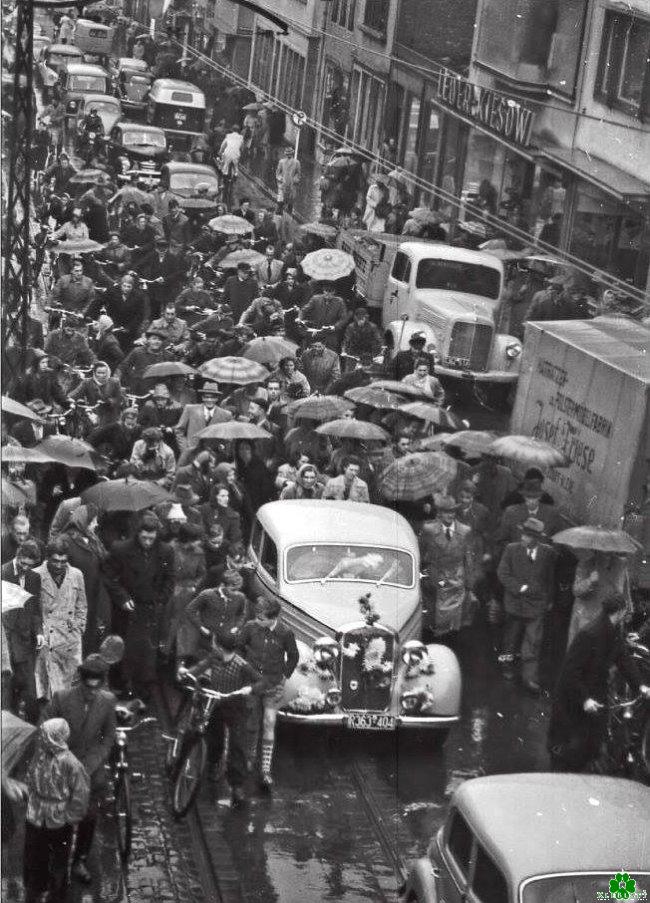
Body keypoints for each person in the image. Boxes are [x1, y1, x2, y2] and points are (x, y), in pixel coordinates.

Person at [548, 595, 650, 772]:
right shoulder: (590, 634)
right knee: (573, 742)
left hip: (595, 690)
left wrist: (639, 684)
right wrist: (585, 699)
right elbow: (571, 671)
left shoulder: (613, 630)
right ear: (619, 612)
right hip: (578, 695)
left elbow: (623, 658)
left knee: (592, 740)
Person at [45, 654, 116, 885]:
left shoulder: (108, 701)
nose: (92, 693)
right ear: (81, 682)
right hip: (63, 771)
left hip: (91, 774)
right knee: (62, 820)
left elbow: (108, 738)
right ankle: (58, 862)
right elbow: (44, 730)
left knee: (88, 819)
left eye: (97, 689)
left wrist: (92, 763)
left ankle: (80, 860)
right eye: (88, 688)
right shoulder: (62, 699)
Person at [178, 631, 266, 806]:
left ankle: (236, 785)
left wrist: (250, 689)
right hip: (216, 701)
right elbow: (199, 669)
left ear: (219, 646)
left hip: (234, 704)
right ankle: (212, 763)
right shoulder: (214, 658)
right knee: (214, 736)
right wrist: (189, 674)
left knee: (237, 744)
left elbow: (261, 682)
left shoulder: (241, 665)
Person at [102, 513, 175, 699]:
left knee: (148, 653)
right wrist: (122, 597)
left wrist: (161, 600)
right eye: (144, 538)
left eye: (152, 538)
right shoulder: (121, 549)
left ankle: (144, 688)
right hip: (128, 611)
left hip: (150, 610)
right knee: (125, 650)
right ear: (138, 534)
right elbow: (108, 576)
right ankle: (123, 685)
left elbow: (170, 579)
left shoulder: (166, 551)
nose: (148, 542)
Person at [23, 718, 90, 903]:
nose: (41, 738)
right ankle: (36, 889)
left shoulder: (71, 764)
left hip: (59, 820)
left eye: (45, 735)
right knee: (36, 856)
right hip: (36, 817)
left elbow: (80, 794)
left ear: (55, 737)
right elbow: (30, 776)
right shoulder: (40, 755)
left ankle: (57, 894)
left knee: (59, 862)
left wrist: (70, 817)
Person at [239, 596, 298, 789]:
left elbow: (293, 656)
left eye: (262, 618)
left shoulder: (285, 633)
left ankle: (265, 768)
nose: (258, 620)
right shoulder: (250, 627)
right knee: (250, 721)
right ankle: (249, 757)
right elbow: (239, 647)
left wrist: (284, 676)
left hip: (273, 683)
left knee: (269, 721)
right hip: (252, 680)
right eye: (257, 616)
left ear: (274, 618)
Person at [497, 517, 557, 694]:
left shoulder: (548, 553)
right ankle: (506, 665)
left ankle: (529, 677)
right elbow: (503, 573)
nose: (523, 538)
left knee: (533, 641)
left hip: (536, 605)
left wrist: (549, 599)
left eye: (528, 536)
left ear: (537, 538)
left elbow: (550, 579)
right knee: (510, 638)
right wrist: (520, 588)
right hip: (515, 603)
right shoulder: (511, 550)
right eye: (523, 534)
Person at [34, 537, 87, 702]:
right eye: (55, 561)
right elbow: (32, 610)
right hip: (47, 638)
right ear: (47, 558)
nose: (59, 565)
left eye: (63, 561)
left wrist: (79, 628)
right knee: (50, 689)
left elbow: (82, 605)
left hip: (70, 639)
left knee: (72, 686)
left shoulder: (77, 575)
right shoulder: (35, 575)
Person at [419, 496, 476, 637]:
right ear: (440, 513)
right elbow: (421, 553)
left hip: (456, 578)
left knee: (454, 623)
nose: (450, 515)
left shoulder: (465, 531)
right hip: (436, 578)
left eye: (452, 512)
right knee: (434, 618)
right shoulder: (429, 530)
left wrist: (469, 583)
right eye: (446, 512)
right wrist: (422, 576)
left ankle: (452, 640)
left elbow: (468, 559)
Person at [1, 540, 43, 722]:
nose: (25, 567)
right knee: (6, 692)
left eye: (30, 565)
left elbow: (35, 608)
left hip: (25, 641)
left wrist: (39, 631)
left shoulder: (34, 578)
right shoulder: (3, 573)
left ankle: (32, 730)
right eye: (22, 563)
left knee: (30, 691)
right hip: (5, 641)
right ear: (17, 555)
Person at [62, 506, 111, 657]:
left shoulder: (92, 539)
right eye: (93, 520)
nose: (96, 524)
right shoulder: (65, 541)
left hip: (92, 597)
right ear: (84, 521)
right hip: (74, 600)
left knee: (89, 638)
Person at [568, 551, 631, 646]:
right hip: (588, 618)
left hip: (612, 619)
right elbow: (576, 590)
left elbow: (625, 590)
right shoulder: (586, 564)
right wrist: (589, 581)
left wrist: (628, 610)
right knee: (585, 651)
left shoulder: (622, 564)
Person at [174, 382, 224, 465]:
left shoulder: (225, 414)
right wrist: (185, 449)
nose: (209, 400)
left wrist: (222, 447)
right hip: (192, 454)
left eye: (212, 398)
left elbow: (228, 435)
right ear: (202, 397)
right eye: (206, 397)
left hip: (214, 456)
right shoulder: (190, 409)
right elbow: (179, 430)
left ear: (217, 399)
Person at [69, 360, 123, 428]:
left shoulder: (114, 382)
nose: (102, 375)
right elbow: (75, 393)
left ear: (108, 373)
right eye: (99, 373)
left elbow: (119, 399)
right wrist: (68, 400)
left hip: (110, 415)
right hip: (93, 414)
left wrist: (108, 401)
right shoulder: (87, 382)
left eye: (104, 373)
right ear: (94, 373)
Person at [299, 285, 349, 351]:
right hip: (316, 329)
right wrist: (300, 318)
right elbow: (304, 310)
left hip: (330, 332)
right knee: (309, 348)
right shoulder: (316, 299)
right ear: (323, 291)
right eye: (326, 291)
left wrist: (335, 327)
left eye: (330, 292)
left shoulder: (339, 302)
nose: (328, 294)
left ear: (334, 292)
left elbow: (343, 318)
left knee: (330, 350)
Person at [275, 146, 301, 213]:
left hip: (292, 186)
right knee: (280, 203)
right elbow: (278, 173)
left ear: (292, 154)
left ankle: (288, 217)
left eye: (290, 154)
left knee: (290, 203)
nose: (288, 155)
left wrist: (295, 179)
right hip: (283, 185)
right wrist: (280, 178)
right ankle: (279, 215)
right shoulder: (281, 162)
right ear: (285, 154)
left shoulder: (297, 163)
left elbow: (298, 174)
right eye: (287, 154)